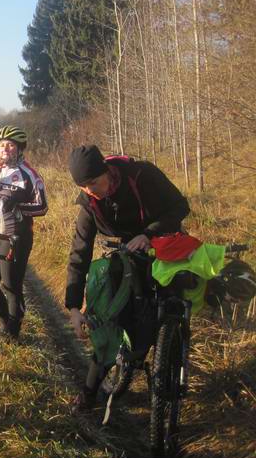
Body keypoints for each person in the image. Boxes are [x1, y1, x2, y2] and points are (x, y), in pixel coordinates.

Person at [65, 144, 190, 412]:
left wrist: (149, 233)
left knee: (171, 307)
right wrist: (74, 306)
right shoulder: (89, 204)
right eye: (83, 186)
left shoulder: (142, 175)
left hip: (166, 241)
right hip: (129, 252)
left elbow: (181, 206)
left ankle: (171, 355)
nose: (90, 190)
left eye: (94, 182)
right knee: (112, 317)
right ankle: (89, 393)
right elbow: (80, 253)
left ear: (107, 171)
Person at [0, 125, 48, 340]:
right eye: (2, 145)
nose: (5, 149)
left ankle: (13, 333)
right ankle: (7, 321)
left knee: (10, 285)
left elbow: (42, 206)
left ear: (19, 149)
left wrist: (18, 208)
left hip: (16, 236)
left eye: (10, 145)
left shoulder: (29, 175)